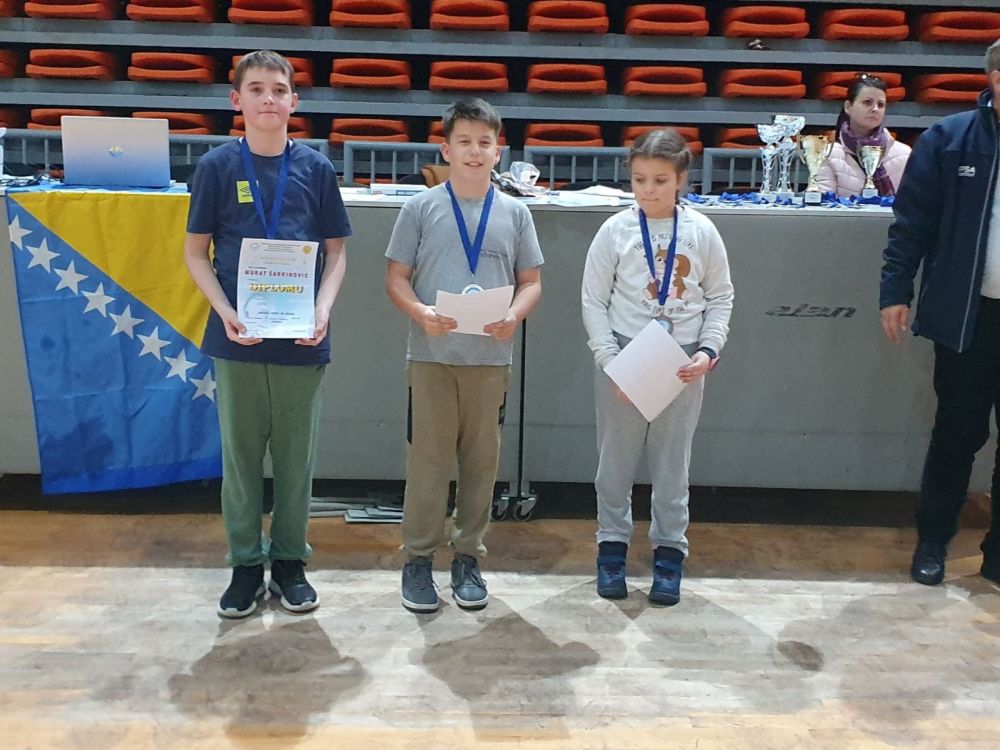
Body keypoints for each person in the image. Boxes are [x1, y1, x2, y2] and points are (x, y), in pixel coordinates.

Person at [184, 50, 352, 618]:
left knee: (296, 458)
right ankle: (244, 565)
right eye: (256, 89)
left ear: (294, 102)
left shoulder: (316, 168)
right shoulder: (215, 167)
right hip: (237, 334)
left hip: (302, 336)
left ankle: (289, 562)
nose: (268, 99)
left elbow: (336, 253)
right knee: (240, 457)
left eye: (279, 90)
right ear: (237, 100)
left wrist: (323, 308)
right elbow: (195, 252)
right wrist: (225, 310)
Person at [385, 98, 543, 614]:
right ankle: (417, 558)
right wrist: (420, 312)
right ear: (445, 149)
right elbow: (396, 278)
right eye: (465, 142)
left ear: (499, 152)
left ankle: (468, 556)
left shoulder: (515, 213)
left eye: (485, 143)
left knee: (481, 464)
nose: (475, 151)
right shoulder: (420, 208)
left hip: (490, 360)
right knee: (427, 462)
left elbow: (531, 282)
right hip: (432, 356)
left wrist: (514, 316)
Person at [581, 128, 734, 605]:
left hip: (682, 359)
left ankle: (669, 553)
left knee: (672, 465)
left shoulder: (702, 231)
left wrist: (707, 350)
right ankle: (611, 548)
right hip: (624, 354)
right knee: (615, 461)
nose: (648, 190)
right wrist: (611, 361)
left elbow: (721, 297)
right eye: (640, 180)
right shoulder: (615, 230)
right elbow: (593, 300)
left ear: (681, 179)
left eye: (660, 181)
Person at [880, 40, 1000, 589]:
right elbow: (912, 224)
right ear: (994, 78)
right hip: (966, 318)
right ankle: (932, 542)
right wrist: (895, 290)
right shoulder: (948, 140)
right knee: (956, 435)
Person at [815, 74, 911, 199]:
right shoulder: (829, 154)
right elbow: (823, 204)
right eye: (867, 102)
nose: (875, 109)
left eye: (881, 105)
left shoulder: (904, 154)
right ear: (848, 107)